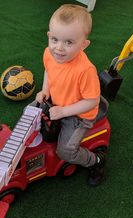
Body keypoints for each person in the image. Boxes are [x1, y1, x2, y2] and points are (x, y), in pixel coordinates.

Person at [36, 4, 106, 186]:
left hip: (79, 115)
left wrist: (64, 112)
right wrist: (46, 91)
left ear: (83, 45)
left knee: (65, 151)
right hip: (58, 103)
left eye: (69, 42)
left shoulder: (85, 70)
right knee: (30, 112)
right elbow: (48, 71)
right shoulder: (50, 54)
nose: (59, 48)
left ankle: (96, 161)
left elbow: (92, 101)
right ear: (49, 36)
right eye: (55, 40)